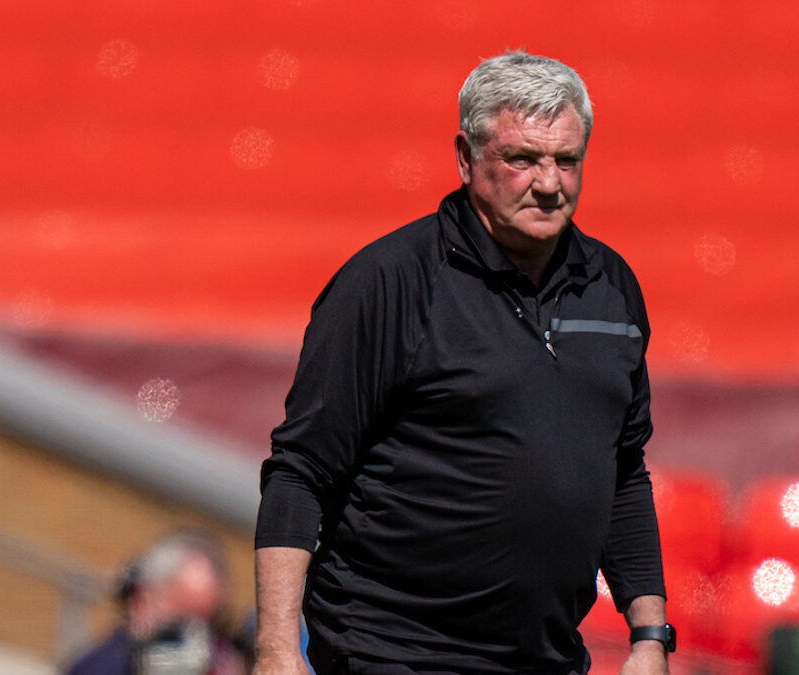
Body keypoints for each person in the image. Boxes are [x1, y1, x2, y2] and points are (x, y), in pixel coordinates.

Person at [253, 50, 672, 675]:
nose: (550, 182)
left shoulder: (613, 287)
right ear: (466, 157)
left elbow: (623, 472)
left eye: (566, 160)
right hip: (391, 650)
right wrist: (277, 648)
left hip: (545, 658)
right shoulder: (389, 282)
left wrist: (649, 636)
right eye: (522, 159)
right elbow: (301, 469)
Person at [66, 530, 244, 675]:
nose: (199, 643)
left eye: (210, 627)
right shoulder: (100, 668)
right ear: (142, 600)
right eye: (183, 623)